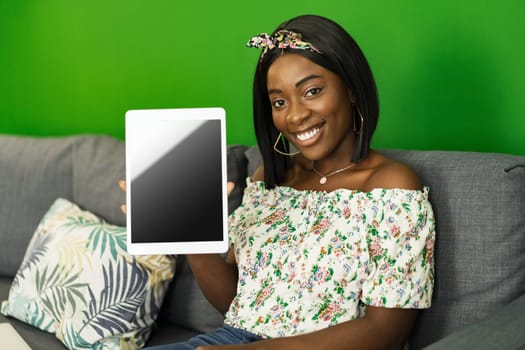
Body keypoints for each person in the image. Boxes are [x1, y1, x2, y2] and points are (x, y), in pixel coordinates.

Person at [137, 14, 435, 350]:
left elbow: (385, 332)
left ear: (351, 89)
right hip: (231, 341)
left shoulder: (392, 187)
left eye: (311, 91)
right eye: (279, 102)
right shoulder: (269, 179)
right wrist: (192, 238)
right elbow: (240, 303)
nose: (294, 116)